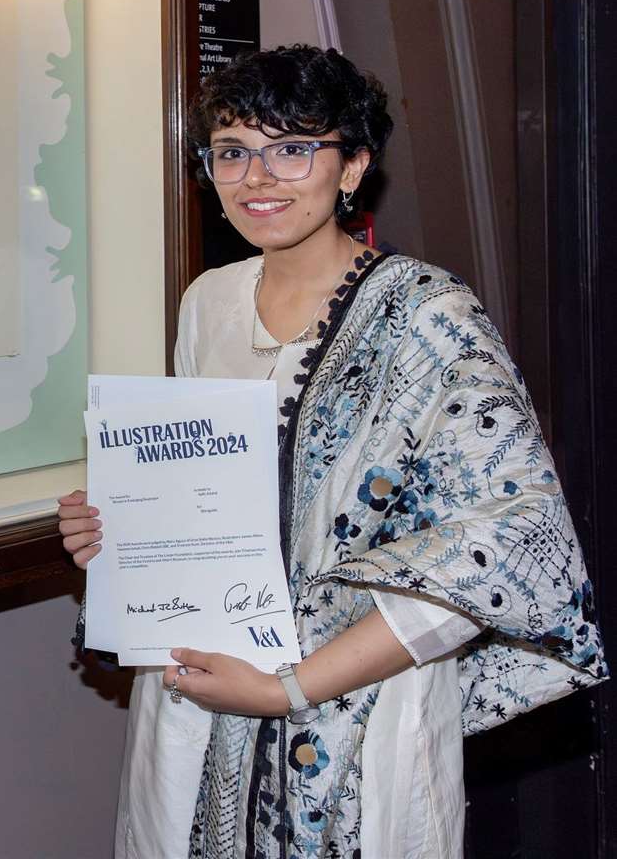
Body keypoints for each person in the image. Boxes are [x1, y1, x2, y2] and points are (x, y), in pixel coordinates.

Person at [57, 45, 605, 858]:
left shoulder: (428, 320)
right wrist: (118, 533)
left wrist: (288, 690)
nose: (259, 178)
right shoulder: (207, 303)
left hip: (357, 716)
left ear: (353, 166)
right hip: (197, 698)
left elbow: (514, 538)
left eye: (293, 148)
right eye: (234, 153)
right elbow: (206, 493)